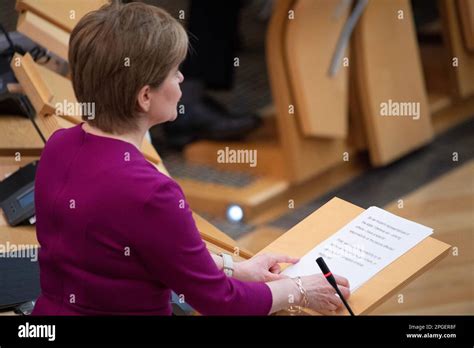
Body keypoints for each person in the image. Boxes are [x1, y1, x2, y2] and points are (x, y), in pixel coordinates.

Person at [32, 2, 350, 316]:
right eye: (175, 72)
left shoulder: (59, 145)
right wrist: (301, 291)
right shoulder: (151, 193)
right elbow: (225, 303)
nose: (183, 79)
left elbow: (150, 250)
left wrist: (235, 268)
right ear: (145, 97)